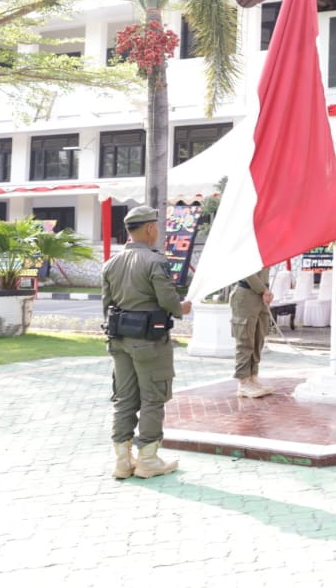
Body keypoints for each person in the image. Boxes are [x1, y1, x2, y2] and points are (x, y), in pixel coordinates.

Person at [102, 205, 191, 479]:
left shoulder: (110, 263)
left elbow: (107, 304)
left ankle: (122, 461)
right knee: (153, 397)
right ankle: (148, 460)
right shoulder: (155, 261)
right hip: (150, 342)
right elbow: (168, 302)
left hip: (119, 341)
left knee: (124, 399)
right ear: (150, 228)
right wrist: (182, 307)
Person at [231, 267, 274, 398]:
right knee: (245, 339)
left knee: (258, 338)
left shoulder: (264, 249)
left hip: (261, 296)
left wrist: (266, 291)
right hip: (246, 294)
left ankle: (253, 377)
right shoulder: (246, 247)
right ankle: (243, 382)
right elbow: (247, 271)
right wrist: (264, 290)